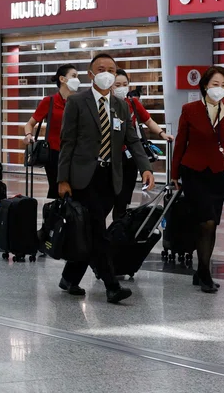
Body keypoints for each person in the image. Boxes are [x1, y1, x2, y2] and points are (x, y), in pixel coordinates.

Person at [57, 53, 155, 304]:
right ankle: (112, 286)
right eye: (101, 69)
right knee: (99, 231)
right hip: (83, 177)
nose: (107, 73)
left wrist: (146, 167)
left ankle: (69, 278)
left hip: (110, 178)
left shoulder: (122, 105)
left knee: (90, 231)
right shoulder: (77, 102)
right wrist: (62, 179)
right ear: (91, 74)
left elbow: (132, 139)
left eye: (111, 69)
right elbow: (67, 143)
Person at [171, 66, 224, 294]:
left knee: (211, 224)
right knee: (206, 220)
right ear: (204, 86)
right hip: (193, 172)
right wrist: (173, 174)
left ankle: (201, 272)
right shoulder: (189, 109)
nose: (218, 89)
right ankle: (206, 274)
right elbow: (180, 143)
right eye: (214, 84)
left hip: (217, 175)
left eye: (223, 85)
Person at [111, 68, 174, 220]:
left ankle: (118, 223)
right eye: (117, 84)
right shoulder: (105, 104)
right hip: (110, 156)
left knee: (124, 195)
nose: (121, 88)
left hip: (129, 154)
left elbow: (148, 120)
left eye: (125, 84)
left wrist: (162, 133)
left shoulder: (132, 103)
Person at [23, 64, 80, 199]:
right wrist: (28, 135)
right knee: (57, 190)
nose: (77, 80)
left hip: (76, 153)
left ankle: (73, 218)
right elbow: (30, 124)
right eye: (74, 76)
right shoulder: (50, 101)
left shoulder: (79, 102)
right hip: (55, 153)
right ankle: (55, 218)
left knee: (76, 192)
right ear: (62, 79)